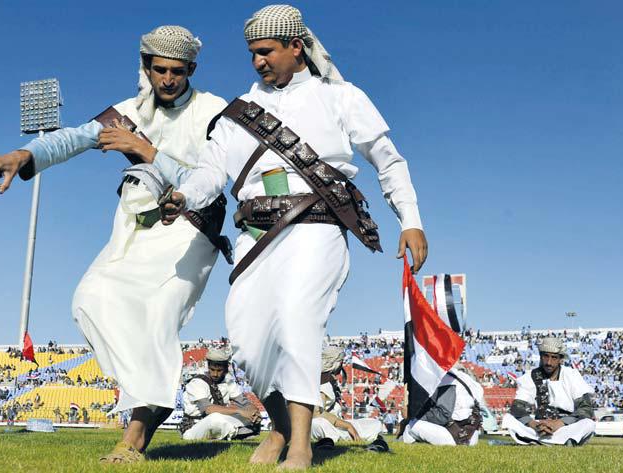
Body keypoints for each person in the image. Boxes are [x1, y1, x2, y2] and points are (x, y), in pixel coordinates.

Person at [157, 5, 427, 469]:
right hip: (253, 233)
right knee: (246, 337)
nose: (258, 61)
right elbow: (210, 172)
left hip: (316, 225)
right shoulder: (236, 115)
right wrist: (185, 196)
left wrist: (411, 217)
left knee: (298, 318)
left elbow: (388, 159)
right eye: (252, 54)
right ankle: (280, 426)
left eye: (266, 52)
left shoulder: (341, 98)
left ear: (295, 46)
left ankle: (299, 443)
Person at [0, 25, 227, 463]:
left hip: (189, 226)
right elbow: (72, 138)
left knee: (158, 316)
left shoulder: (214, 111)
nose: (167, 79)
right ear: (146, 66)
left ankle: (136, 432)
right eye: (159, 69)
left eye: (178, 72)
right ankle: (154, 395)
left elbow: (211, 179)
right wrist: (23, 156)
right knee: (90, 299)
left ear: (191, 70)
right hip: (130, 227)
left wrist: (144, 151)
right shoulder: (128, 111)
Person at [501, 338, 596, 446]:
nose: (549, 362)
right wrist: (534, 425)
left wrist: (559, 423)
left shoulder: (571, 375)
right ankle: (559, 442)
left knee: (588, 424)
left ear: (560, 359)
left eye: (554, 358)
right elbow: (517, 406)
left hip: (565, 426)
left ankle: (538, 442)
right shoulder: (530, 376)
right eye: (545, 356)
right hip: (539, 428)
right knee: (509, 419)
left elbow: (586, 408)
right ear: (541, 356)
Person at [179, 347, 261, 441]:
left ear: (226, 369)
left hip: (219, 421)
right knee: (215, 418)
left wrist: (254, 412)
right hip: (194, 427)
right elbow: (208, 409)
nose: (215, 374)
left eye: (219, 371)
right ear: (208, 367)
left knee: (248, 417)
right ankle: (238, 432)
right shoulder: (197, 382)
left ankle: (231, 432)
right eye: (212, 369)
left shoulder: (228, 381)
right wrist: (239, 411)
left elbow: (244, 402)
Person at [310, 347, 385, 449]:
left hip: (338, 425)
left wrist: (347, 425)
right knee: (318, 424)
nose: (342, 365)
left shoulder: (331, 379)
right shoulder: (321, 381)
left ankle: (342, 436)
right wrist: (347, 426)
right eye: (341, 362)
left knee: (374, 423)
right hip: (326, 423)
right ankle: (331, 439)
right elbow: (317, 413)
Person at [402, 364, 485, 446]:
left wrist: (416, 417)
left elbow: (443, 415)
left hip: (455, 437)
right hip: (472, 436)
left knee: (411, 426)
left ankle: (404, 451)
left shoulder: (445, 379)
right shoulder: (466, 378)